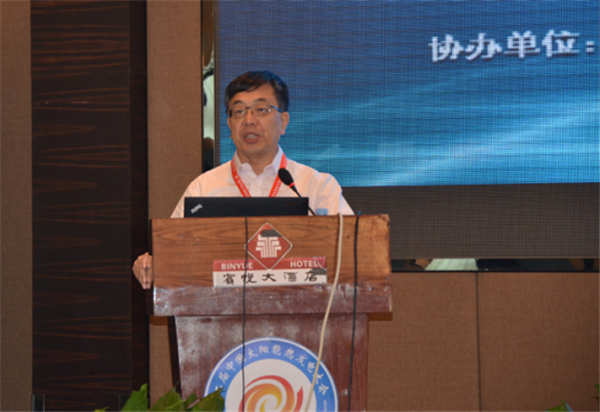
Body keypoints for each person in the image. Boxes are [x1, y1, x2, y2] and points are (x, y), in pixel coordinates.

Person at [132, 71, 353, 289]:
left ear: (284, 122)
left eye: (261, 109)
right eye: (238, 111)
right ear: (229, 123)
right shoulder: (203, 188)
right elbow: (170, 254)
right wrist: (150, 264)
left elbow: (353, 251)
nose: (249, 120)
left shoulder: (318, 187)